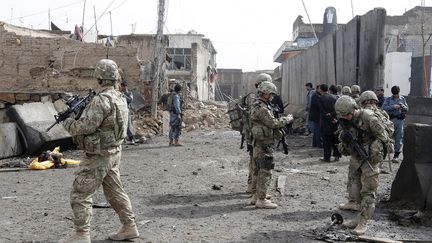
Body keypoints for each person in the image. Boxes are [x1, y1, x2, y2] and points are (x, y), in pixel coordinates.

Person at [61, 59, 139, 242]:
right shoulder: (119, 98)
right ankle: (129, 226)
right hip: (113, 152)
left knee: (80, 193)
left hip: (99, 155)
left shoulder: (101, 100)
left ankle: (81, 234)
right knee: (115, 192)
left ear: (99, 77)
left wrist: (68, 122)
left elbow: (86, 126)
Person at [335, 95, 391, 235]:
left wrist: (372, 150)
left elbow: (384, 138)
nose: (346, 117)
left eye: (348, 114)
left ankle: (363, 222)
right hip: (356, 157)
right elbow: (342, 135)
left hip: (370, 158)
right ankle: (356, 219)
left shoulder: (369, 117)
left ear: (354, 108)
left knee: (368, 191)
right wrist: (344, 138)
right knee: (355, 189)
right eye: (343, 116)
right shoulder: (345, 119)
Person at [250, 81, 293, 209]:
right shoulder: (262, 108)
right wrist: (287, 119)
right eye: (271, 94)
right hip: (264, 143)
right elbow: (273, 123)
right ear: (266, 93)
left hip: (260, 142)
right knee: (265, 169)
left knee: (258, 169)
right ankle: (261, 199)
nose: (273, 97)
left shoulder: (259, 104)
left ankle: (256, 195)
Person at [246, 73, 273, 194]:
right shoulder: (260, 100)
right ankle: (256, 189)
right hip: (258, 134)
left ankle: (251, 186)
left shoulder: (250, 97)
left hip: (250, 133)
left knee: (253, 160)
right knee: (259, 162)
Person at [382, 85, 408, 163]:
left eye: (396, 94)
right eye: (394, 94)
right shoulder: (388, 99)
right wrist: (393, 106)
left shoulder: (402, 98)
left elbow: (407, 108)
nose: (396, 95)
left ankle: (396, 156)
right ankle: (384, 155)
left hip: (399, 121)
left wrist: (403, 107)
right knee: (387, 137)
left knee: (399, 137)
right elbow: (384, 108)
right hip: (391, 120)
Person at [318, 84, 341, 162]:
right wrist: (334, 118)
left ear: (321, 89)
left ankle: (327, 157)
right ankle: (337, 156)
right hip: (335, 123)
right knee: (335, 140)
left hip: (326, 123)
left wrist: (330, 118)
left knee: (326, 141)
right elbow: (337, 110)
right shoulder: (335, 97)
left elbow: (322, 112)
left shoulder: (321, 99)